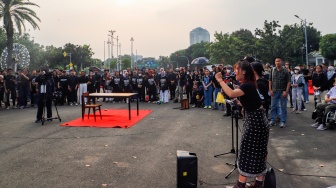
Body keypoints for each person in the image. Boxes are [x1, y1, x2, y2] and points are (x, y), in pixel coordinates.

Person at [215, 60, 269, 188]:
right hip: (258, 121)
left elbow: (231, 93)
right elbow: (251, 102)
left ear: (244, 71)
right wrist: (239, 103)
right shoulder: (248, 85)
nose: (235, 72)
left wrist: (220, 80)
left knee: (247, 152)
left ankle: (241, 184)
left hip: (255, 123)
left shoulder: (247, 86)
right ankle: (258, 183)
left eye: (237, 69)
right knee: (258, 153)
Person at [268, 57, 291, 128]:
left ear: (281, 62)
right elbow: (270, 80)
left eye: (279, 61)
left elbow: (289, 82)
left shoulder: (285, 71)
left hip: (283, 91)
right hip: (274, 91)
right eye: (276, 61)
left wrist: (286, 91)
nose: (277, 62)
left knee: (283, 107)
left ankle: (283, 121)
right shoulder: (272, 70)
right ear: (275, 62)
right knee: (273, 106)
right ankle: (272, 120)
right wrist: (270, 90)